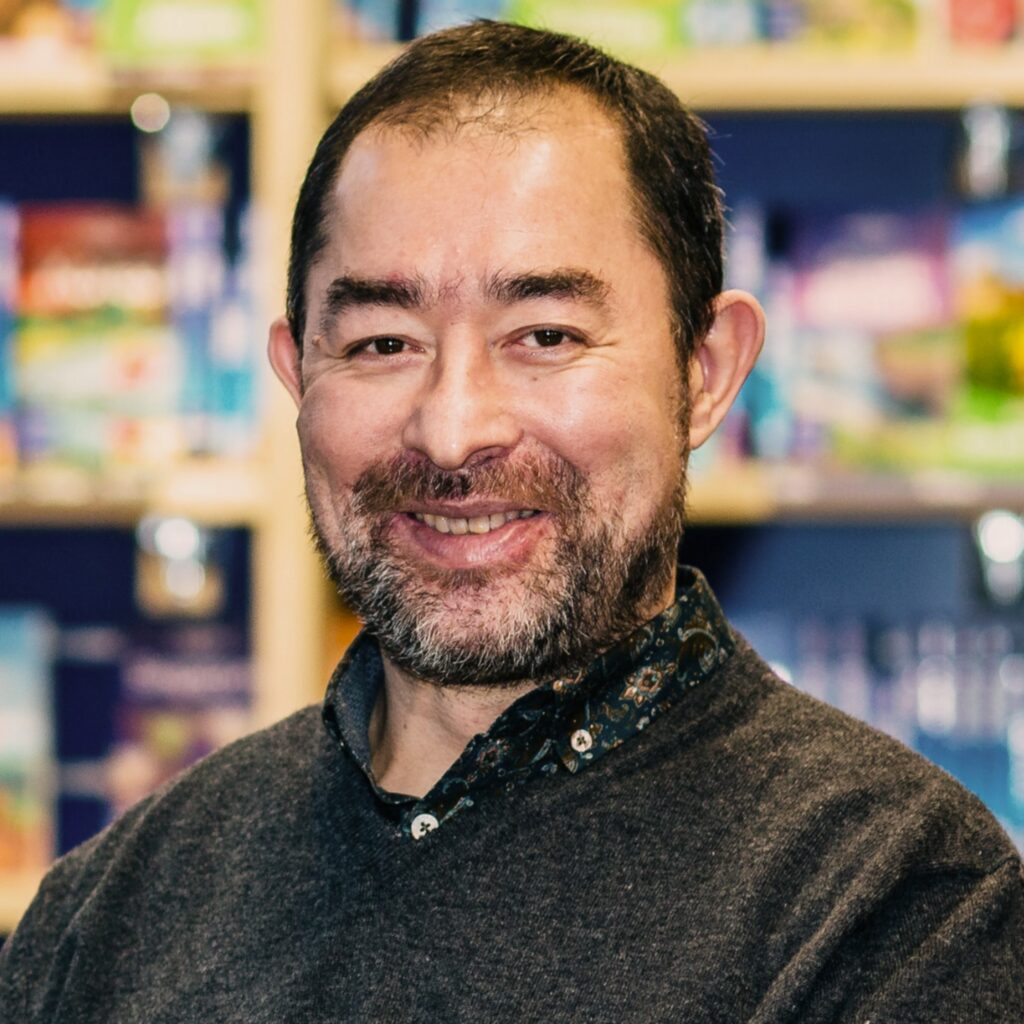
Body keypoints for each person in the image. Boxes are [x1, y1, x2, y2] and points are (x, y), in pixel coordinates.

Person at [2, 20, 1022, 1023]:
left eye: (544, 333)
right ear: (295, 374)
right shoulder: (106, 915)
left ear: (704, 373)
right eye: (380, 342)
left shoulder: (898, 904)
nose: (451, 432)